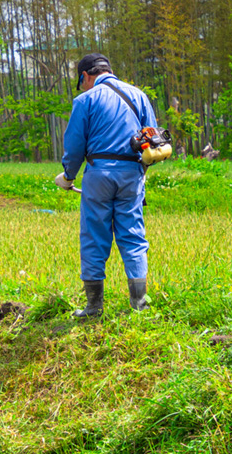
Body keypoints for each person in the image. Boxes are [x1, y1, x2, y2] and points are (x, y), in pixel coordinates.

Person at [55, 53, 157, 319]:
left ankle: (93, 308)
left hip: (98, 174)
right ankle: (140, 306)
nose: (84, 87)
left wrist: (68, 176)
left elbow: (75, 145)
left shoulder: (85, 100)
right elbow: (153, 136)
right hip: (132, 174)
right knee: (133, 237)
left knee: (94, 237)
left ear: (85, 76)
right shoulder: (139, 96)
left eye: (83, 82)